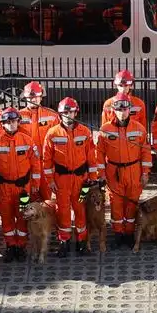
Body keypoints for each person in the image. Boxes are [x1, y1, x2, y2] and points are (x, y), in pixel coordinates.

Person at [43, 98, 100, 257]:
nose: (68, 115)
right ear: (60, 115)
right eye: (65, 113)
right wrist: (50, 181)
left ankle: (82, 242)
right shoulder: (52, 133)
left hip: (81, 180)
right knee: (63, 211)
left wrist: (92, 177)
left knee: (80, 210)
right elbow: (46, 160)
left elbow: (91, 157)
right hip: (61, 180)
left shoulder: (85, 131)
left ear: (76, 112)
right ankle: (64, 242)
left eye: (71, 112)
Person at [98, 92, 151, 248]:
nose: (122, 112)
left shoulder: (139, 128)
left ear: (130, 110)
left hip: (134, 171)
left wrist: (145, 172)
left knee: (132, 204)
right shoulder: (105, 129)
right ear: (114, 110)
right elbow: (99, 153)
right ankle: (118, 234)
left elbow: (146, 152)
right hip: (114, 172)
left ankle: (129, 234)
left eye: (125, 109)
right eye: (119, 109)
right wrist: (101, 175)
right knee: (116, 205)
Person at [0, 109, 40, 261]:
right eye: (7, 122)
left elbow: (36, 165)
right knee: (7, 218)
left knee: (23, 217)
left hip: (23, 187)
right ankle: (10, 246)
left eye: (13, 121)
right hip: (3, 188)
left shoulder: (27, 141)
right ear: (2, 124)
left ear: (18, 122)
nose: (11, 124)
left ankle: (21, 246)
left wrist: (35, 183)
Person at [20, 81, 60, 199]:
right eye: (30, 97)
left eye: (36, 97)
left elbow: (58, 138)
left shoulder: (52, 115)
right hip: (26, 163)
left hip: (45, 162)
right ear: (25, 98)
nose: (33, 99)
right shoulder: (18, 116)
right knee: (26, 197)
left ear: (41, 97)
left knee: (46, 196)